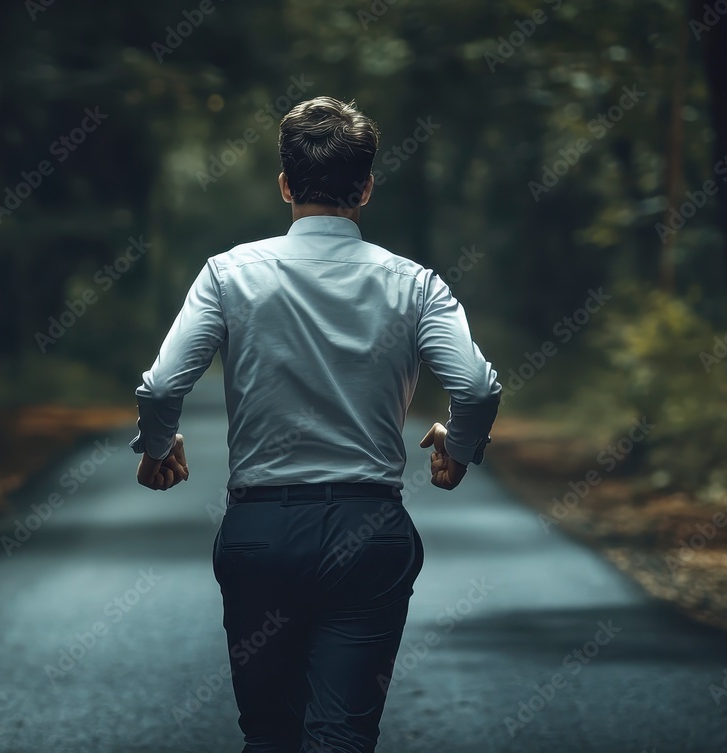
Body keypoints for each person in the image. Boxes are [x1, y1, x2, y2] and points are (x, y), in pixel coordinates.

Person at [130, 96, 501, 753]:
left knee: (270, 733)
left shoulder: (228, 275)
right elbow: (474, 386)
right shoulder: (415, 285)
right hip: (368, 533)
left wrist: (160, 446)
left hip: (260, 534)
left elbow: (161, 385)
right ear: (366, 187)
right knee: (342, 735)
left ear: (283, 185)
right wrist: (457, 445)